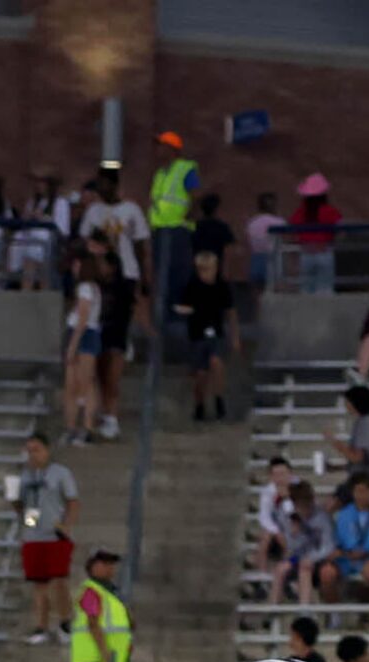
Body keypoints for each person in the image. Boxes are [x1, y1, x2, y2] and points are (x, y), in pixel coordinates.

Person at [80, 168, 150, 436]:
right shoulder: (94, 212)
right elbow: (82, 241)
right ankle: (97, 410)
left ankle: (111, 414)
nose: (102, 189)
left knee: (114, 346)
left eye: (106, 184)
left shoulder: (131, 210)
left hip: (126, 276)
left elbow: (142, 246)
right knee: (98, 347)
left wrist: (145, 279)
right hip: (100, 278)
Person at [12, 433, 80, 646]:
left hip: (55, 533)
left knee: (59, 580)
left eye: (37, 450)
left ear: (46, 450)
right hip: (34, 533)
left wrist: (67, 525)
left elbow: (72, 501)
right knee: (39, 583)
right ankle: (41, 626)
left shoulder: (60, 473)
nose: (33, 455)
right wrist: (19, 508)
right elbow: (23, 506)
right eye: (29, 451)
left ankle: (65, 622)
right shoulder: (24, 476)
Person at [70, 548, 133, 662]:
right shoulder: (92, 591)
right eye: (104, 563)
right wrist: (104, 650)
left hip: (117, 656)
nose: (109, 568)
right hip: (97, 655)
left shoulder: (112, 592)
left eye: (111, 564)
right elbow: (92, 622)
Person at [174, 245, 235, 423]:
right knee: (200, 374)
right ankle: (199, 404)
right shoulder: (192, 286)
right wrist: (186, 310)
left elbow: (230, 311)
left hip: (216, 332)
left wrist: (235, 336)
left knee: (216, 362)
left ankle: (219, 399)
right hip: (197, 333)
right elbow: (183, 306)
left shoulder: (222, 286)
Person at [321, 477, 369, 608]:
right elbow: (338, 544)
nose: (361, 495)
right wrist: (342, 553)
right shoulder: (343, 514)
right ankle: (334, 612)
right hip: (346, 559)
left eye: (365, 491)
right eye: (358, 491)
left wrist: (363, 554)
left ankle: (368, 612)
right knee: (326, 573)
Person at [60, 251, 104, 441]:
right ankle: (76, 426)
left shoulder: (86, 287)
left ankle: (84, 426)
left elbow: (83, 317)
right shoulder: (91, 288)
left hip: (83, 334)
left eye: (77, 265)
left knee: (82, 384)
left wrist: (73, 345)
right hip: (84, 333)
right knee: (78, 385)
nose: (74, 268)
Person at [148, 130, 198, 292]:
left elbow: (195, 194)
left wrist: (188, 214)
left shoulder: (184, 168)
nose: (158, 150)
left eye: (162, 146)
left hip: (176, 227)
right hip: (160, 228)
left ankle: (175, 313)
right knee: (161, 273)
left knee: (174, 272)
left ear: (172, 149)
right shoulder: (160, 173)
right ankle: (165, 313)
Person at [327, 381, 369, 498]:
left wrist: (334, 442)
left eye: (347, 401)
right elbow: (360, 461)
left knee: (330, 506)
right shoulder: (361, 423)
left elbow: (357, 457)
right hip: (359, 480)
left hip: (365, 484)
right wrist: (336, 468)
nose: (345, 404)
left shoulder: (365, 424)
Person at [289, 173, 341, 294]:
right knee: (326, 290)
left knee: (306, 290)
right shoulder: (329, 210)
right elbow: (339, 228)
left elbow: (292, 229)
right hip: (324, 252)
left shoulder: (301, 212)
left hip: (306, 253)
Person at [8, 172, 62, 290]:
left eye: (42, 183)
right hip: (31, 242)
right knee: (28, 271)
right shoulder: (32, 203)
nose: (39, 186)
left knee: (44, 278)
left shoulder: (60, 203)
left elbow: (62, 228)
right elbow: (24, 223)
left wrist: (42, 217)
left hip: (48, 244)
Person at [254, 457, 297, 593]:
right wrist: (277, 532)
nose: (280, 479)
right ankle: (262, 581)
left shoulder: (300, 488)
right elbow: (264, 517)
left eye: (283, 474)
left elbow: (297, 516)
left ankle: (288, 580)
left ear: (290, 474)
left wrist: (286, 498)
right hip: (277, 530)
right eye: (276, 475)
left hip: (295, 528)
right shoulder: (268, 492)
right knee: (265, 535)